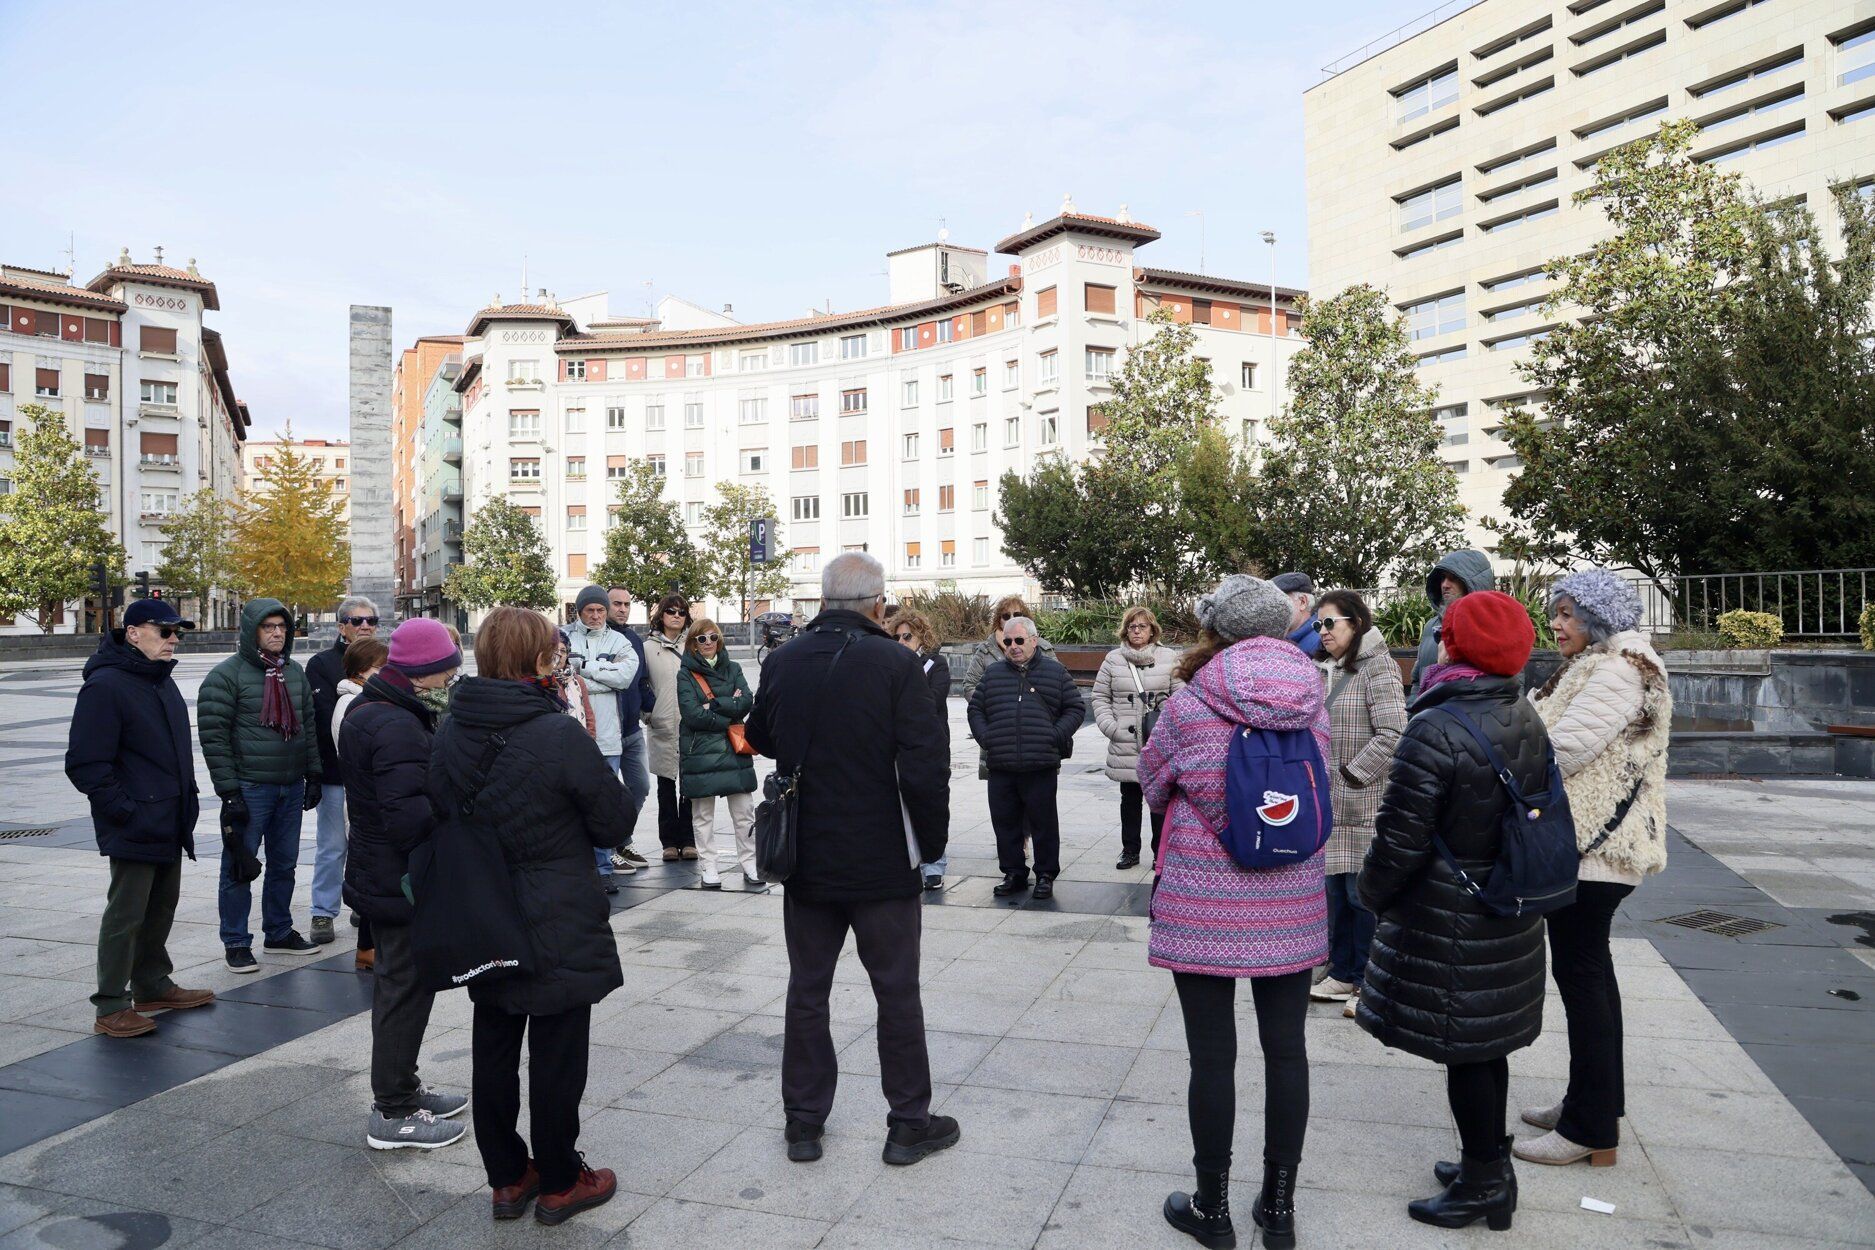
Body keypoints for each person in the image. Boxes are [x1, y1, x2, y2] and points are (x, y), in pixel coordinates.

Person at [747, 552, 959, 1167]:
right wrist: (934, 845)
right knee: (896, 991)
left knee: (807, 989)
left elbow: (760, 736)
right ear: (878, 603)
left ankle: (804, 1124)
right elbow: (926, 765)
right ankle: (908, 1125)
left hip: (807, 857)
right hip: (882, 859)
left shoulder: (784, 659)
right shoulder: (898, 663)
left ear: (822, 600)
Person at [1139, 575, 1328, 1250]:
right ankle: (1277, 1210)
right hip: (1291, 899)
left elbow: (1152, 779)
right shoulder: (1314, 699)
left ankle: (1210, 1209)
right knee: (1287, 1053)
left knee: (1211, 1058)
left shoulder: (1191, 704)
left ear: (1215, 630)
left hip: (1204, 901)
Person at [1356, 589, 1549, 1231]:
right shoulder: (1522, 710)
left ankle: (1484, 1184)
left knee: (1465, 1051)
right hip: (1506, 907)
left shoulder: (1434, 725)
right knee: (1484, 1046)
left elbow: (1401, 837)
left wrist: (1371, 895)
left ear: (1455, 646)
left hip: (1454, 915)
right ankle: (1486, 1160)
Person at [431, 607, 630, 1226]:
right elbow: (615, 821)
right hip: (556, 910)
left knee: (493, 1044)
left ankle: (507, 1178)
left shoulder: (451, 727)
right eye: (555, 651)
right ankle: (562, 1181)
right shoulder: (558, 733)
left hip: (484, 912)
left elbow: (441, 806)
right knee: (557, 1053)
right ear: (540, 660)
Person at [1517, 570, 1671, 1169]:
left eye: (1566, 613)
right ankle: (1595, 1103)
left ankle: (1588, 1126)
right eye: (1555, 612)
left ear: (1597, 617)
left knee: (1582, 981)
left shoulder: (1617, 670)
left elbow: (1561, 749)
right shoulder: (1608, 662)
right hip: (1591, 848)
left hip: (1595, 851)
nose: (1554, 623)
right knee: (1591, 978)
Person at [339, 619, 468, 1151]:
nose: (449, 685)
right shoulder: (392, 724)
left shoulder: (385, 710)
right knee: (401, 990)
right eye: (445, 676)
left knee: (404, 987)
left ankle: (404, 1089)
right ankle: (392, 1111)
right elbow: (409, 818)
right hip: (399, 877)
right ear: (420, 674)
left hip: (386, 872)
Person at [65, 598, 216, 1038]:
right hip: (136, 821)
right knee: (126, 914)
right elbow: (86, 763)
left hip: (169, 817)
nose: (174, 640)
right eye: (164, 631)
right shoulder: (107, 685)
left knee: (160, 907)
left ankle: (151, 982)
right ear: (133, 632)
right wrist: (124, 810)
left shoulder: (158, 680)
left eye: (178, 633)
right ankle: (111, 1004)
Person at [197, 596, 324, 972]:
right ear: (252, 631)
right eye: (268, 627)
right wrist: (229, 792)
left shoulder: (294, 672)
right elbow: (214, 739)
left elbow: (309, 728)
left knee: (284, 865)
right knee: (239, 867)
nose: (277, 633)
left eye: (282, 627)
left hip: (290, 785)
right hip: (251, 789)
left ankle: (279, 931)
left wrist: (313, 773)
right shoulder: (225, 676)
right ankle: (236, 941)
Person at [1309, 590, 1406, 1016]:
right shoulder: (1320, 667)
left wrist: (1352, 775)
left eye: (1330, 623)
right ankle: (1341, 970)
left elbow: (1393, 732)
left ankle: (1369, 979)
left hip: (1362, 802)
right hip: (1326, 802)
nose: (1323, 632)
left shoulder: (1377, 666)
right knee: (1334, 890)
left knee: (1360, 895)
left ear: (1356, 623)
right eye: (1318, 624)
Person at [966, 615, 1084, 900]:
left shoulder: (1054, 672)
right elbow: (975, 710)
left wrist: (1055, 736)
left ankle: (1045, 874)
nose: (1014, 646)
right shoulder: (993, 673)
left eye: (1019, 640)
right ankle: (1014, 872)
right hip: (1002, 764)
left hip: (1039, 763)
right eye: (1008, 641)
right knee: (1005, 821)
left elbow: (1075, 707)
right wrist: (987, 737)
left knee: (1043, 823)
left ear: (1034, 640)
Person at [304, 597, 380, 947]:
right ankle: (323, 911)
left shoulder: (384, 661)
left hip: (371, 773)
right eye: (356, 620)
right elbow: (321, 719)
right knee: (333, 845)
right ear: (341, 626)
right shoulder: (321, 664)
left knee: (367, 842)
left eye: (371, 620)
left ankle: (361, 903)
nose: (365, 626)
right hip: (336, 772)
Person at [1091, 605, 1182, 870]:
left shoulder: (1169, 657)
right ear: (1125, 630)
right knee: (1129, 799)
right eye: (1132, 626)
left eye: (1142, 626)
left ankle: (1159, 852)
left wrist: (1167, 723)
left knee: (1159, 801)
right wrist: (1112, 727)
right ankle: (1129, 850)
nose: (1137, 631)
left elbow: (1180, 696)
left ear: (1153, 629)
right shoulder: (1113, 659)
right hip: (1126, 742)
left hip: (1158, 742)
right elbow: (1100, 697)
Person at [564, 586, 641, 891]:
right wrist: (601, 677)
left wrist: (585, 668)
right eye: (589, 611)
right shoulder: (564, 637)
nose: (595, 616)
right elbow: (561, 672)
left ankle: (604, 866)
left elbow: (625, 678)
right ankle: (579, 865)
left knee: (603, 804)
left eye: (600, 610)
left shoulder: (619, 640)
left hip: (609, 735)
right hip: (574, 731)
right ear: (579, 611)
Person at [677, 617, 760, 890]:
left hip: (732, 750)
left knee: (744, 811)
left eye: (713, 637)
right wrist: (728, 710)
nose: (708, 643)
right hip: (701, 751)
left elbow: (746, 702)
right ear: (693, 644)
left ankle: (749, 862)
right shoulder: (685, 674)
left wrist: (713, 705)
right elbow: (692, 715)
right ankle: (709, 866)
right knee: (703, 814)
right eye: (702, 639)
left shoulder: (734, 667)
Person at [332, 637, 388, 972]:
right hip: (363, 800)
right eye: (381, 667)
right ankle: (366, 946)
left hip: (365, 798)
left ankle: (370, 943)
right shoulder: (351, 704)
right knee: (371, 871)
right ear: (362, 670)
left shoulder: (362, 699)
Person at [892, 610, 953, 890]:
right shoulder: (890, 666)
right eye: (897, 637)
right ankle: (908, 862)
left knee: (932, 807)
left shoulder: (935, 664)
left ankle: (933, 864)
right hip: (899, 749)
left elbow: (931, 701)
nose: (902, 641)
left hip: (930, 750)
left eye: (908, 636)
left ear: (921, 637)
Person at [643, 593, 697, 861]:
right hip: (662, 724)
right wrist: (648, 714)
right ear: (661, 615)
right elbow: (641, 685)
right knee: (665, 784)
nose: (676, 616)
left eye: (681, 612)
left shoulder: (694, 646)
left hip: (690, 725)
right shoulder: (647, 648)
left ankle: (688, 840)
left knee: (689, 785)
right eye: (671, 611)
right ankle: (668, 842)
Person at [606, 585, 656, 869]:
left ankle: (622, 839)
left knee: (640, 786)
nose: (623, 609)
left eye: (626, 604)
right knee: (609, 794)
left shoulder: (634, 640)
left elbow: (641, 681)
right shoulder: (599, 639)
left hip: (631, 730)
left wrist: (651, 709)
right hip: (605, 732)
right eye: (617, 604)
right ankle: (609, 849)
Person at [1407, 549, 1495, 699]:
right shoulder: (1431, 626)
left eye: (1453, 578)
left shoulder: (1492, 628)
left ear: (1473, 583)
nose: (1444, 585)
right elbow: (1417, 680)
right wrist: (1413, 712)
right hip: (1427, 718)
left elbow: (1510, 688)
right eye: (1442, 578)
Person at [1272, 572, 1323, 659]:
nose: (1273, 608)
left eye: (1279, 602)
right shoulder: (1283, 639)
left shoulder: (1322, 643)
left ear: (1303, 602)